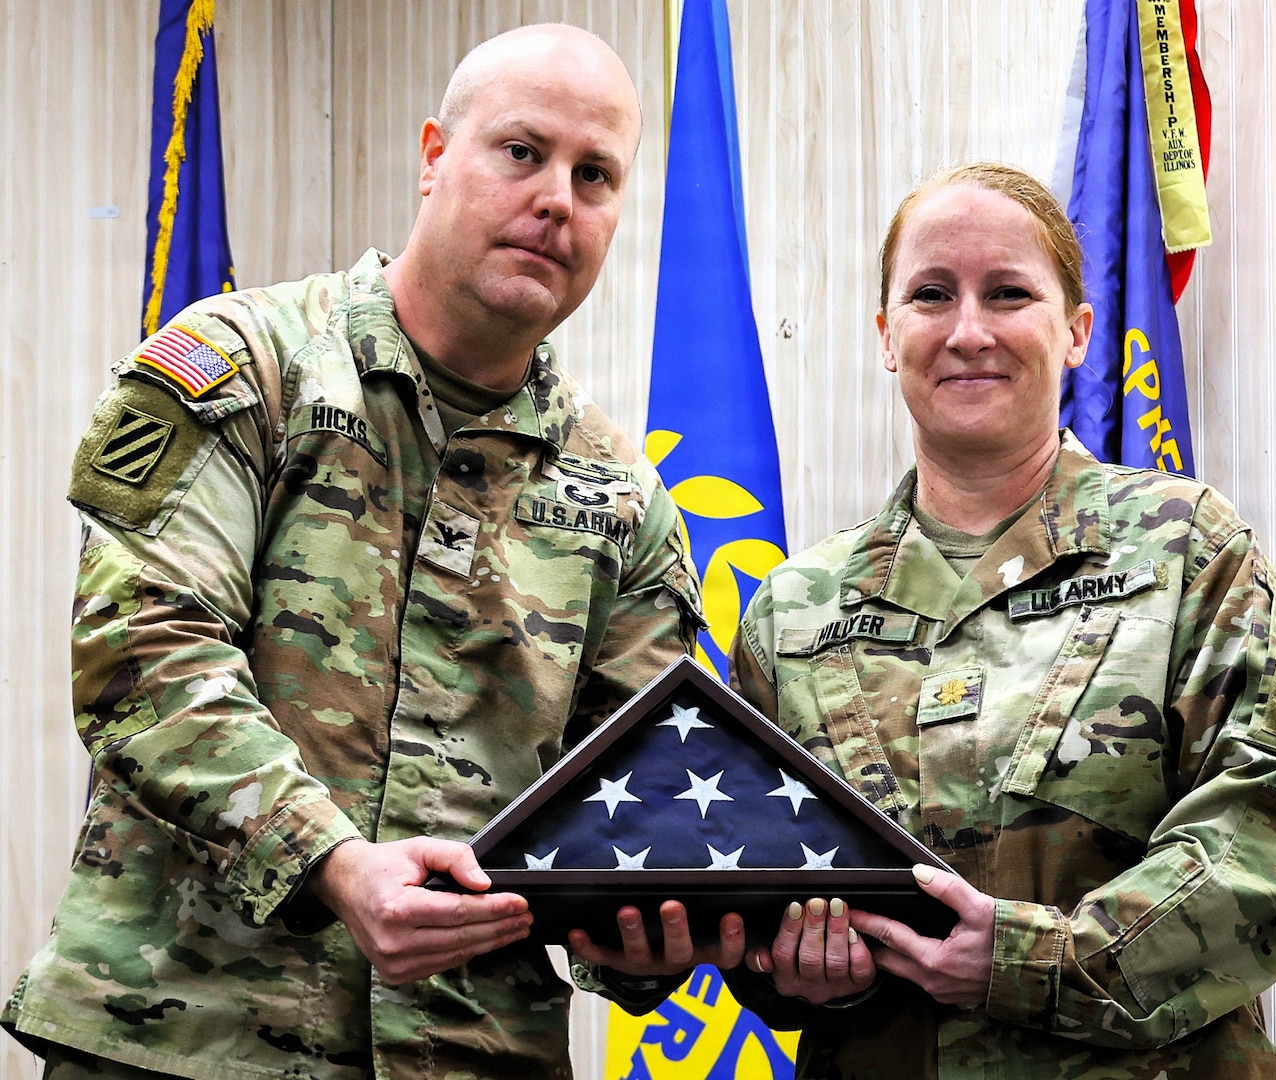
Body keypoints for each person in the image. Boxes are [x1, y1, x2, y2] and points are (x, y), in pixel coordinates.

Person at [3, 23, 741, 1080]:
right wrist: (333, 863)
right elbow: (145, 654)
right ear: (435, 155)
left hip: (473, 1053)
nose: (556, 200)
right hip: (188, 1038)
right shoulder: (245, 367)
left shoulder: (623, 499)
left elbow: (630, 794)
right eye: (522, 152)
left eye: (595, 175)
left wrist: (638, 939)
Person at [722, 162, 1276, 1078]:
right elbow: (750, 890)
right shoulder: (792, 612)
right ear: (887, 336)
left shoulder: (1186, 550)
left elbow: (1275, 835)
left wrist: (1030, 963)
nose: (968, 330)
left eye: (1009, 293)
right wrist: (799, 968)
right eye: (931, 294)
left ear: (1077, 332)